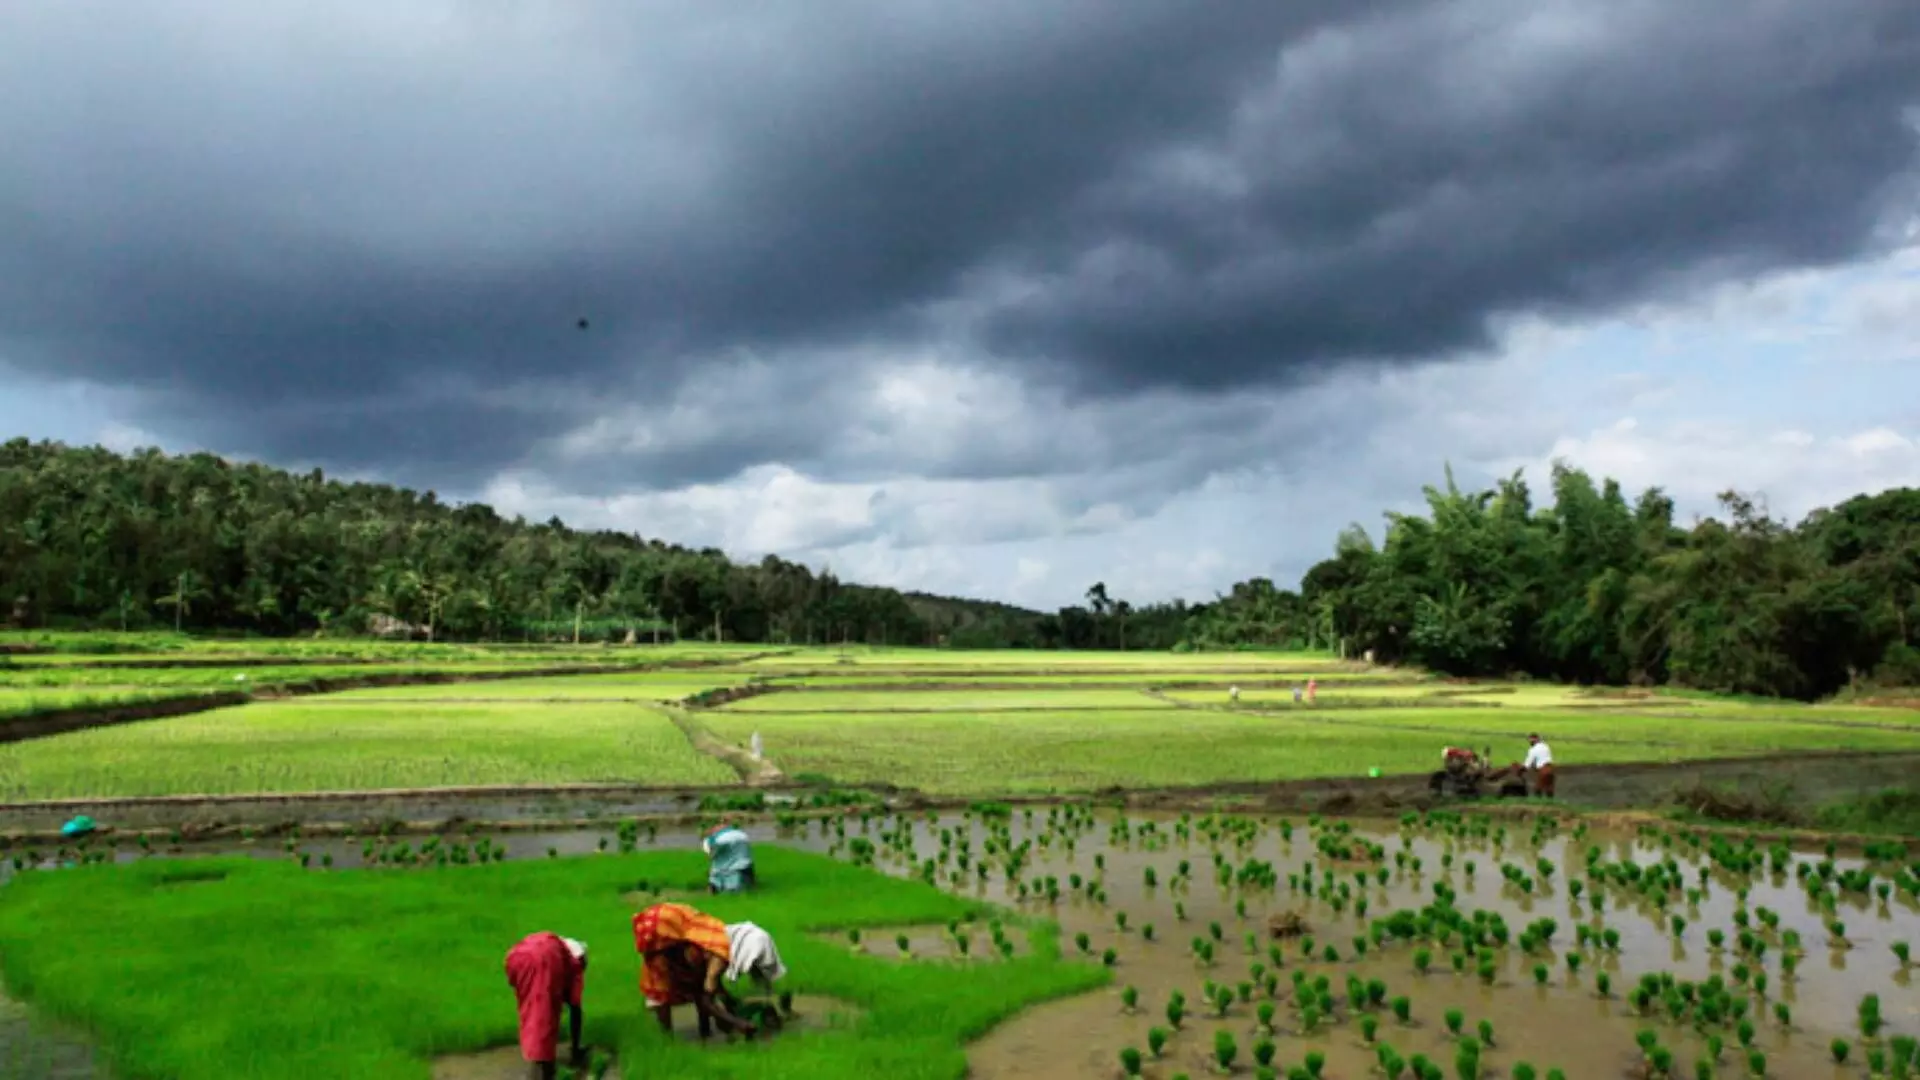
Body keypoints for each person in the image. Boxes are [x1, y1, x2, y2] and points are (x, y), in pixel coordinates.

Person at [633, 902, 757, 1038]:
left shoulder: (714, 959)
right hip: (662, 924)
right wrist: (736, 1023)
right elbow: (708, 1000)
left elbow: (707, 995)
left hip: (673, 931)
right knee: (662, 995)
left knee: (699, 986)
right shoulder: (663, 955)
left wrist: (728, 1011)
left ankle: (705, 1033)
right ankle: (667, 1038)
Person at [503, 933, 587, 1080]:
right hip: (541, 960)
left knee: (531, 1010)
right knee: (543, 1016)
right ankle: (540, 1069)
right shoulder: (573, 964)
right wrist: (575, 1050)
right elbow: (575, 1008)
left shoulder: (554, 946)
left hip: (515, 958)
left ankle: (542, 1062)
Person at [703, 819, 756, 893]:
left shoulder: (714, 839)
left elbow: (711, 854)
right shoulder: (741, 834)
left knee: (719, 879)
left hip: (729, 870)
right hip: (746, 865)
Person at [1522, 732, 1555, 798]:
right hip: (1551, 769)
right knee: (1549, 788)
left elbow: (1527, 765)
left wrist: (1521, 769)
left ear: (1532, 741)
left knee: (1538, 789)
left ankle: (1539, 803)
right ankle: (1551, 803)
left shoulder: (1532, 750)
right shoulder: (1545, 746)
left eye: (1530, 741)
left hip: (1543, 770)